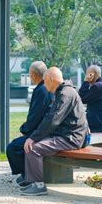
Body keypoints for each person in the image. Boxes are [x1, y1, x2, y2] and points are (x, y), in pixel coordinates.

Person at [20, 67, 89, 196]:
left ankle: (38, 185)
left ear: (51, 80)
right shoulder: (64, 91)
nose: (44, 85)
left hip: (71, 137)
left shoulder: (65, 94)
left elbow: (53, 120)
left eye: (45, 81)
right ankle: (31, 181)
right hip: (68, 134)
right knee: (31, 144)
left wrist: (33, 137)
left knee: (33, 148)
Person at [6, 61, 53, 186]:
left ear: (33, 75)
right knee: (18, 145)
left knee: (13, 148)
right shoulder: (46, 87)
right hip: (44, 130)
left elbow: (35, 116)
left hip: (41, 133)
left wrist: (25, 130)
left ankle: (28, 175)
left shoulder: (42, 90)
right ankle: (27, 174)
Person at [78, 65, 102, 132]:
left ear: (92, 75)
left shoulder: (97, 86)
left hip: (99, 128)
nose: (86, 76)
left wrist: (86, 81)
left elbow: (82, 98)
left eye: (87, 74)